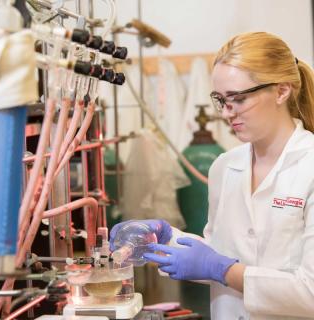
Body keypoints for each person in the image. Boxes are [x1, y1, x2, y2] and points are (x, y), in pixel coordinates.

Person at [109, 32, 314, 319]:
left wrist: (222, 269)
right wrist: (167, 239)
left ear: (282, 91)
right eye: (220, 100)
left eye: (238, 99)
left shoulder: (309, 166)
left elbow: (310, 293)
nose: (227, 113)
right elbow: (218, 256)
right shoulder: (224, 166)